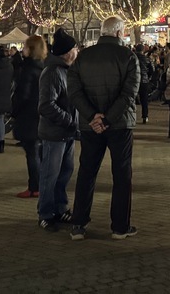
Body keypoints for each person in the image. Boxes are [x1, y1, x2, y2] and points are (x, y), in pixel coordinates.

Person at [67, 16, 141, 241]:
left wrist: (92, 116)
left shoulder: (83, 57)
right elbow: (129, 94)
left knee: (87, 173)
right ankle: (119, 226)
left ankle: (78, 223)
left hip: (90, 127)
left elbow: (74, 91)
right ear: (119, 33)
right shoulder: (128, 57)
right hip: (119, 124)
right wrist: (108, 119)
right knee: (121, 174)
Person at [36, 29, 80, 232]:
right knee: (50, 175)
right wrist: (69, 120)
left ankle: (60, 208)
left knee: (64, 173)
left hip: (68, 132)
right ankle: (45, 213)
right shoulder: (53, 72)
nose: (77, 51)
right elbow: (46, 105)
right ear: (67, 52)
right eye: (75, 48)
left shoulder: (66, 70)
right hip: (55, 133)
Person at [12, 34, 47, 198]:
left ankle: (34, 186)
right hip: (39, 115)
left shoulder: (28, 69)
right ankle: (40, 184)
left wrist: (14, 110)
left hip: (28, 115)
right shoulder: (43, 67)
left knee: (32, 153)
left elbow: (23, 94)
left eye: (25, 46)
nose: (22, 49)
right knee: (38, 152)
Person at [133, 44, 152, 125]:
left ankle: (132, 116)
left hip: (133, 80)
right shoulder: (146, 59)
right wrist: (148, 76)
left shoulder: (132, 58)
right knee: (144, 99)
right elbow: (152, 69)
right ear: (143, 50)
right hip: (144, 80)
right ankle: (145, 116)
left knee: (131, 99)